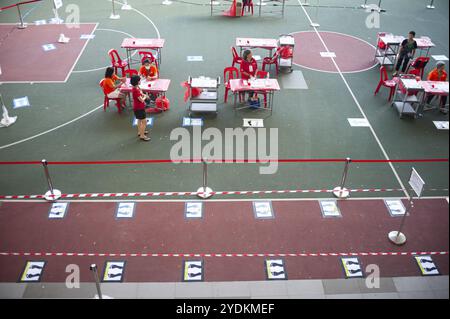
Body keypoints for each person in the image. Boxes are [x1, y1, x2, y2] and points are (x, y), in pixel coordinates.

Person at [131, 75, 151, 141]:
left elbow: (141, 93)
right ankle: (142, 136)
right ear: (137, 82)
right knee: (144, 121)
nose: (140, 81)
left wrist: (143, 94)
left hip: (137, 107)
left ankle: (140, 132)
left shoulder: (137, 87)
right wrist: (146, 96)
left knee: (139, 120)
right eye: (139, 80)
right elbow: (141, 100)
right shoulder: (135, 90)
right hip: (139, 108)